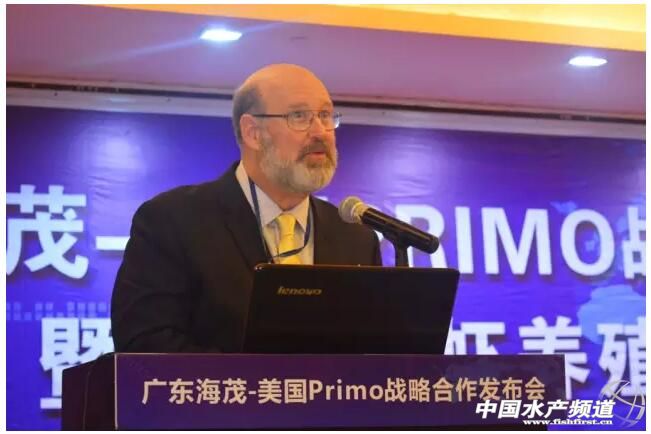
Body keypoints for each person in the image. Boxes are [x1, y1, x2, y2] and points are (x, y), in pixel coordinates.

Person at [111, 64, 382, 353]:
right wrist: (261, 377)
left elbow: (375, 351)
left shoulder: (356, 237)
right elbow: (144, 344)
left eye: (325, 116)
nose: (320, 132)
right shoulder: (173, 221)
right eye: (299, 116)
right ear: (253, 133)